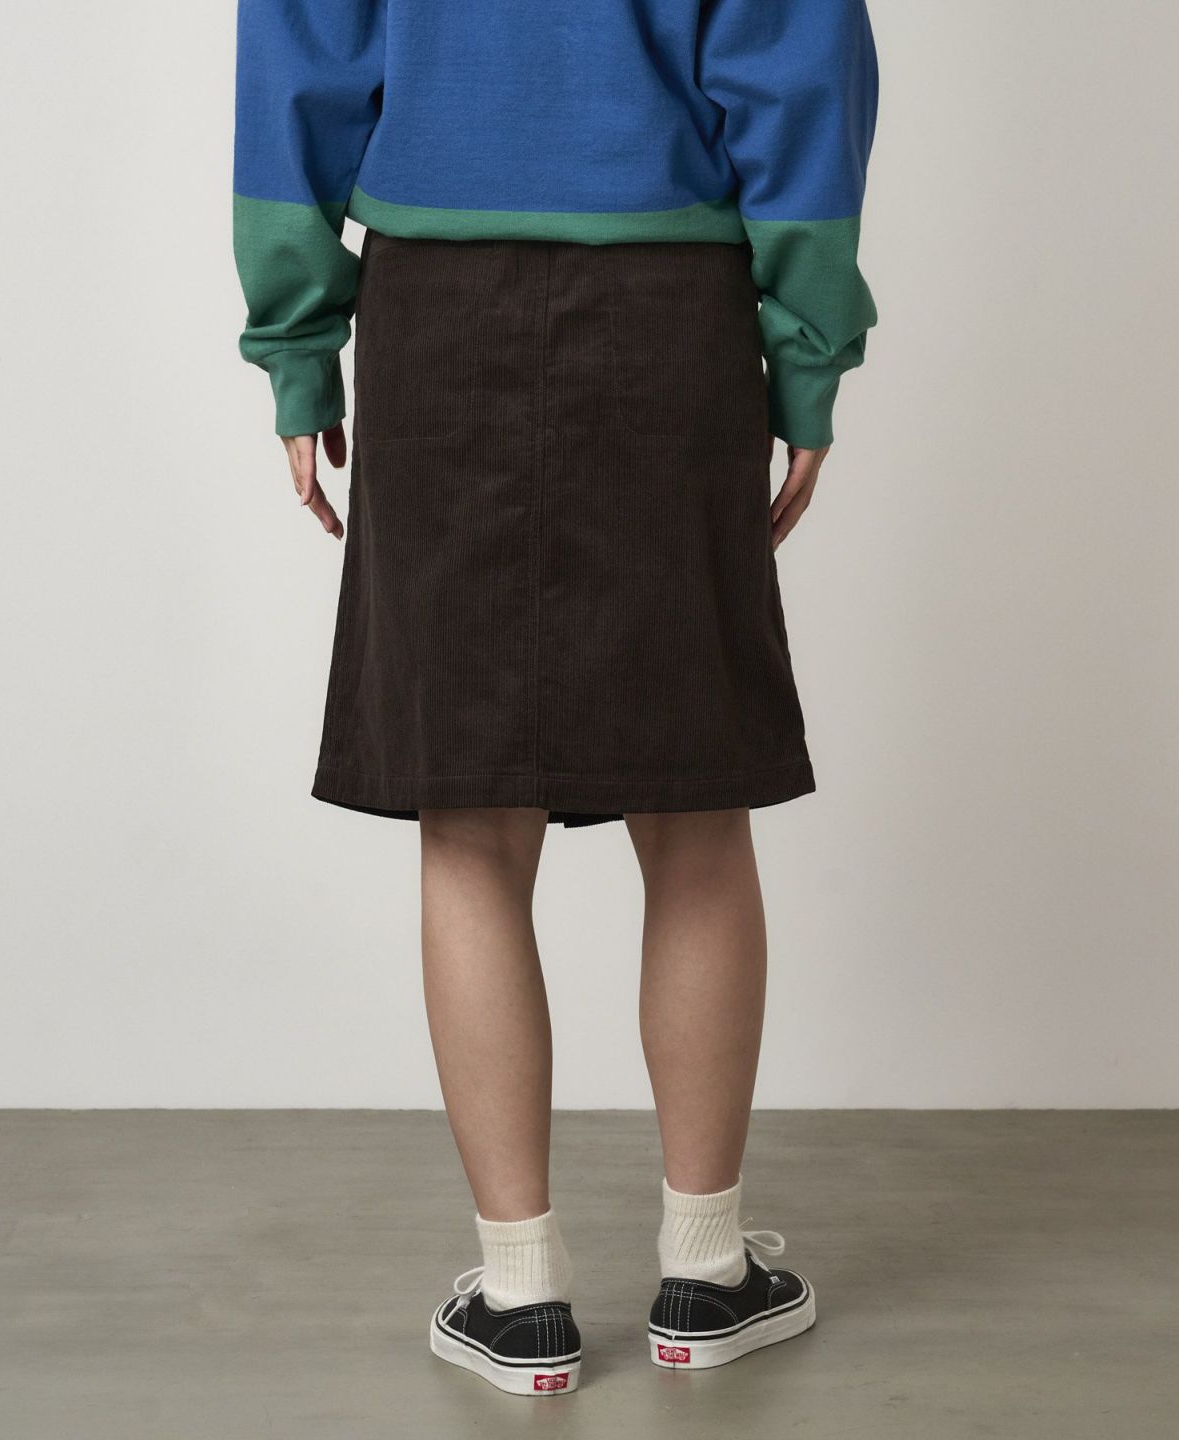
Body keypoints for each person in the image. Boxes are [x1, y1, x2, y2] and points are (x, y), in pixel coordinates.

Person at [233, 0, 878, 1398]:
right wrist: (809, 358)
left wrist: (296, 344)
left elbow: (301, 54)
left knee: (468, 820)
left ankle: (521, 1295)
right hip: (671, 308)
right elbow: (795, 65)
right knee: (695, 814)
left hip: (437, 311)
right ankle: (707, 1275)